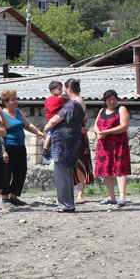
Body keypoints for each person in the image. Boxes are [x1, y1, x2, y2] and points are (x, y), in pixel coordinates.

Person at [43, 78, 86, 213]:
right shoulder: (82, 102)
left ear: (69, 89)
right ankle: (69, 203)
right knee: (67, 174)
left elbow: (56, 119)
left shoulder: (72, 103)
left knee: (61, 174)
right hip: (73, 141)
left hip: (63, 143)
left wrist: (47, 126)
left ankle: (65, 204)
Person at [0, 89, 45, 208]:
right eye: (13, 99)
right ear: (6, 102)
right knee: (6, 173)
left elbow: (27, 125)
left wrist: (38, 132)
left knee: (20, 172)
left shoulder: (18, 112)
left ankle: (14, 198)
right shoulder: (1, 115)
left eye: (16, 98)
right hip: (8, 147)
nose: (16, 101)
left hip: (20, 146)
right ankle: (5, 199)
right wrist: (3, 151)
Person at [93, 89, 131, 206]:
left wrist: (108, 132)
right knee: (106, 171)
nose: (112, 101)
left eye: (114, 98)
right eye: (109, 99)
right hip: (104, 146)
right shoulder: (101, 111)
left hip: (118, 145)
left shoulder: (121, 109)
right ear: (105, 101)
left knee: (120, 170)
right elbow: (95, 126)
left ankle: (122, 197)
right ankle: (111, 197)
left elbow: (124, 126)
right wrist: (98, 132)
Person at [74, 114, 94, 204]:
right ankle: (65, 195)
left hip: (81, 142)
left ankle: (80, 195)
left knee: (82, 166)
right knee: (66, 169)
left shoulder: (82, 112)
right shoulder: (64, 110)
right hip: (67, 141)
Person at [42, 81, 65, 161]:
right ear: (52, 90)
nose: (61, 91)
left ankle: (47, 147)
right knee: (51, 134)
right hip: (53, 119)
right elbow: (65, 106)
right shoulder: (59, 100)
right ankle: (45, 148)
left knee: (50, 133)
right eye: (59, 89)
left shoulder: (47, 99)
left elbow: (45, 108)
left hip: (47, 118)